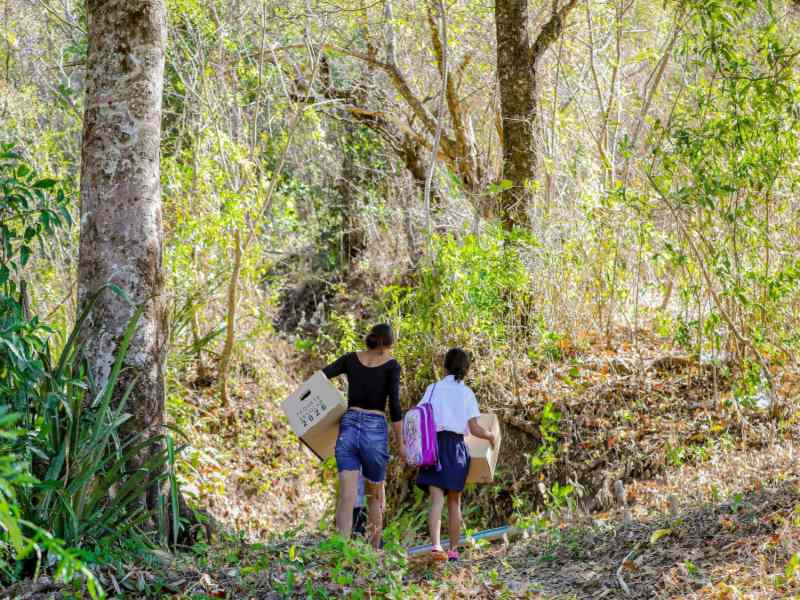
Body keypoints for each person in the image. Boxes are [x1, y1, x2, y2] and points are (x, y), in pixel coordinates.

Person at [323, 323, 405, 548]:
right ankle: (374, 555)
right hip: (374, 430)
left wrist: (332, 407)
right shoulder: (391, 365)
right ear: (388, 344)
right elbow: (395, 408)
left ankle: (340, 552)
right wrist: (401, 444)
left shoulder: (350, 359)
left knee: (347, 497)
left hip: (348, 426)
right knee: (375, 497)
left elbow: (321, 377)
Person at [416, 348, 496, 562]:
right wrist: (491, 436)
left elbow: (419, 417)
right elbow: (475, 428)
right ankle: (452, 551)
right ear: (466, 369)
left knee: (436, 499)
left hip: (434, 447)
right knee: (454, 502)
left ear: (445, 366)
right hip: (457, 449)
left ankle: (435, 545)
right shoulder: (466, 393)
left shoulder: (433, 389)